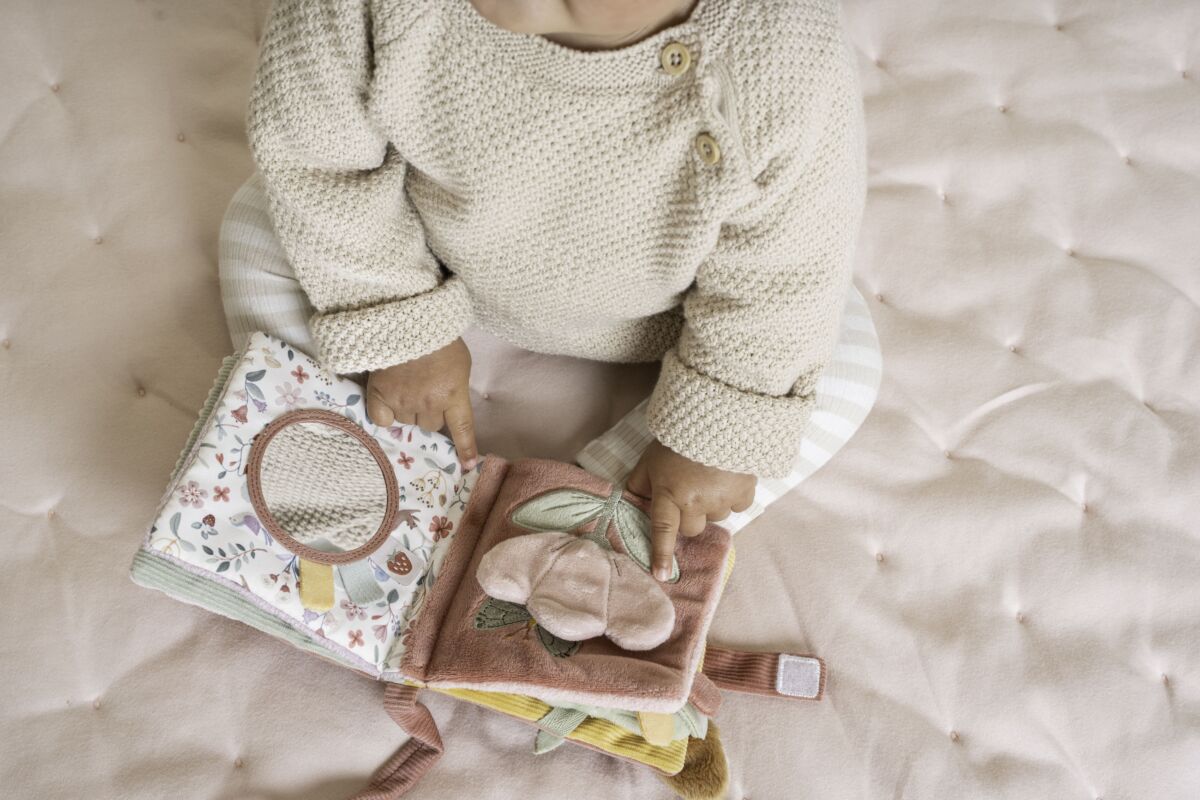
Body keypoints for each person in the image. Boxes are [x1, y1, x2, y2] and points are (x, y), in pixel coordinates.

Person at [220, 0, 879, 587]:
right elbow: (317, 158)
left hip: (671, 311)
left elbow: (786, 272)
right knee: (260, 220)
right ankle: (355, 472)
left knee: (831, 353)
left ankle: (585, 522)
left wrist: (713, 441)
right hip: (429, 256)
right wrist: (396, 320)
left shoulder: (787, 54)